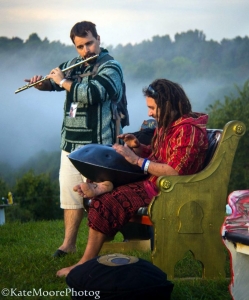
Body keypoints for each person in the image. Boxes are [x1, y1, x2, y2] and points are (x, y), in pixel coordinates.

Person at [56, 78, 209, 277]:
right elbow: (160, 155)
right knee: (103, 194)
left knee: (108, 203)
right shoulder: (169, 125)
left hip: (171, 191)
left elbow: (175, 172)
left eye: (153, 108)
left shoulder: (188, 130)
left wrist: (137, 160)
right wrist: (139, 147)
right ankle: (105, 185)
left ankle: (85, 264)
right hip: (156, 184)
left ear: (168, 104)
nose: (149, 113)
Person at [25, 21, 125, 257]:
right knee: (70, 197)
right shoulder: (73, 65)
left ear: (98, 39)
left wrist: (62, 81)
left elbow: (94, 93)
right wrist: (41, 84)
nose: (85, 51)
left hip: (97, 146)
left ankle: (97, 250)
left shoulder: (111, 66)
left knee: (97, 197)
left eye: (89, 43)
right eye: (80, 47)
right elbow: (52, 84)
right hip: (69, 145)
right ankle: (68, 245)